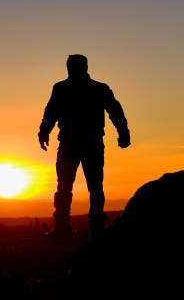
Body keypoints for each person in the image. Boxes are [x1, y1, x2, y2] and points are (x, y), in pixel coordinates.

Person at [38, 54, 131, 238]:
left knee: (93, 186)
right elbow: (51, 111)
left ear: (85, 67)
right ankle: (63, 228)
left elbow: (115, 110)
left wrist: (124, 133)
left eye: (74, 66)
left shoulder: (98, 89)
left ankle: (95, 229)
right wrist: (43, 131)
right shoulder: (62, 89)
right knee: (66, 187)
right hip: (71, 144)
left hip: (89, 144)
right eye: (69, 66)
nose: (71, 69)